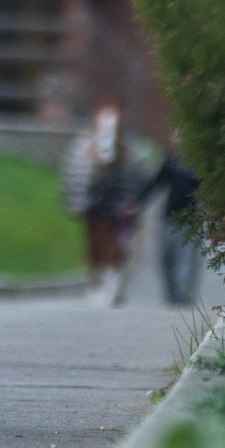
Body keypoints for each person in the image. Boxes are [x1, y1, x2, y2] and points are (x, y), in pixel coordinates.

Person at [62, 102, 145, 305]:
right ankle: (97, 280)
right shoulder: (84, 147)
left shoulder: (128, 150)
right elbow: (74, 175)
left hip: (116, 209)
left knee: (115, 245)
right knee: (94, 244)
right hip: (93, 207)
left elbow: (136, 180)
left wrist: (131, 204)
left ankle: (111, 281)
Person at [137, 133, 202, 306]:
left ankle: (183, 298)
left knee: (186, 261)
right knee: (167, 259)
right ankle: (171, 296)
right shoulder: (170, 163)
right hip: (168, 219)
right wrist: (138, 201)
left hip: (190, 221)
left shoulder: (198, 166)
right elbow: (155, 184)